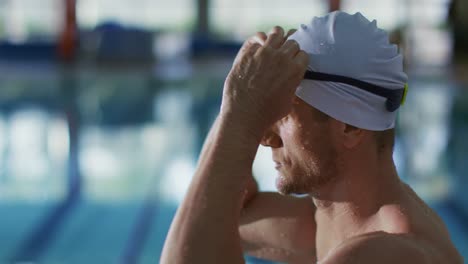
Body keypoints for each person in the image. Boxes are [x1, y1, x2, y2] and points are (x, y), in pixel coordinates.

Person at [161, 11, 463, 264]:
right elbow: (216, 217)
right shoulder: (327, 220)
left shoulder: (389, 253)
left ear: (349, 126)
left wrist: (240, 117)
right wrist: (241, 94)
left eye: (282, 114)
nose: (265, 137)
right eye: (268, 111)